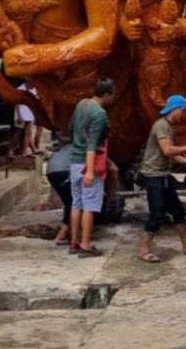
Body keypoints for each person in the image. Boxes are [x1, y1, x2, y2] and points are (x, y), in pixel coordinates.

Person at [137, 95, 186, 263]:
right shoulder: (161, 126)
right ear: (176, 109)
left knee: (178, 210)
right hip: (153, 176)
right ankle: (143, 249)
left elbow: (172, 155)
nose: (184, 115)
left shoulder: (169, 128)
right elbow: (167, 150)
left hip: (163, 175)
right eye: (184, 111)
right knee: (157, 213)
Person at [68, 78, 115, 258]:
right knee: (90, 205)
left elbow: (70, 128)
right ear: (107, 94)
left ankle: (74, 242)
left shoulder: (82, 104)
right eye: (112, 94)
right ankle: (85, 245)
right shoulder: (100, 113)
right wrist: (89, 170)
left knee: (76, 203)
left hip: (74, 161)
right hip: (89, 163)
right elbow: (92, 144)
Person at [46, 141, 74, 247]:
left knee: (69, 202)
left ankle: (70, 233)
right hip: (63, 171)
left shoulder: (69, 145)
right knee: (73, 203)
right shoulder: (87, 144)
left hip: (51, 171)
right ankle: (62, 235)